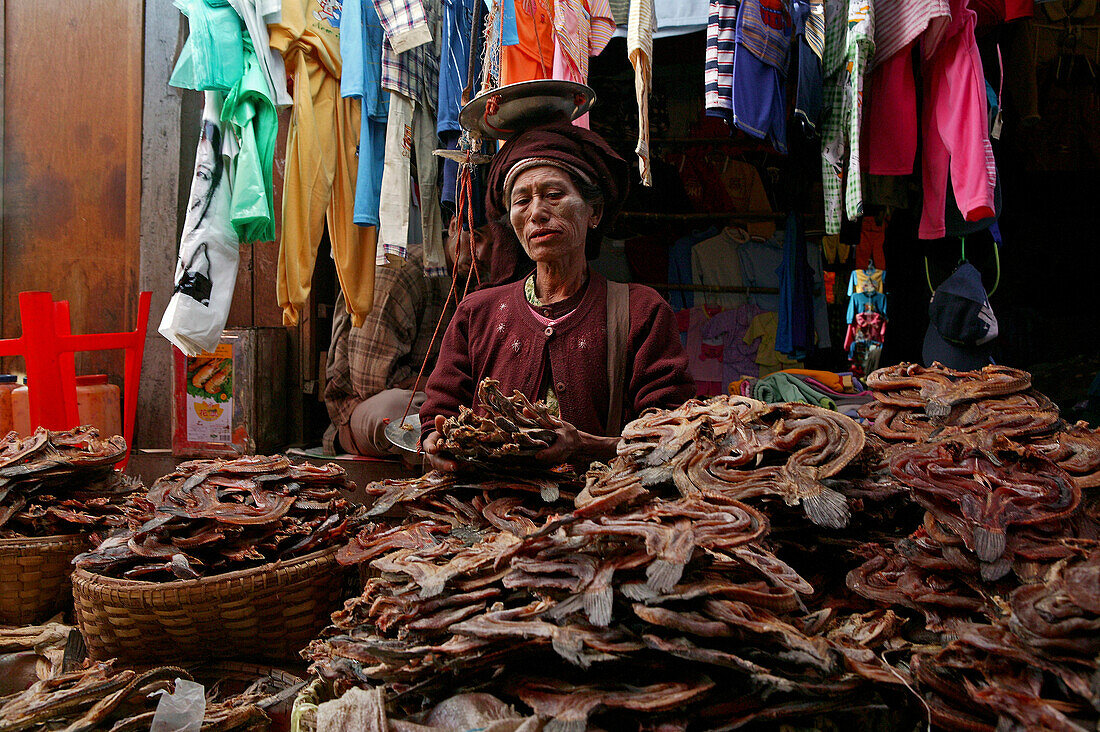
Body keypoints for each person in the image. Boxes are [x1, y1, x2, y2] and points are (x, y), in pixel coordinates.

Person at [420, 121, 696, 471]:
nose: (536, 212)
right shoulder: (477, 312)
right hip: (489, 512)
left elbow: (673, 436)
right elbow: (440, 412)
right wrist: (435, 439)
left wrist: (587, 446)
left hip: (598, 514)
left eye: (553, 195)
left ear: (593, 212)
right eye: (522, 200)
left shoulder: (643, 312)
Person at [323, 210, 493, 456]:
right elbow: (370, 381)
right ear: (455, 226)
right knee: (401, 410)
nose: (483, 253)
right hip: (362, 409)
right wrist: (445, 388)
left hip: (438, 398)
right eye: (476, 237)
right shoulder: (402, 271)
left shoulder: (477, 281)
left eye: (493, 245)